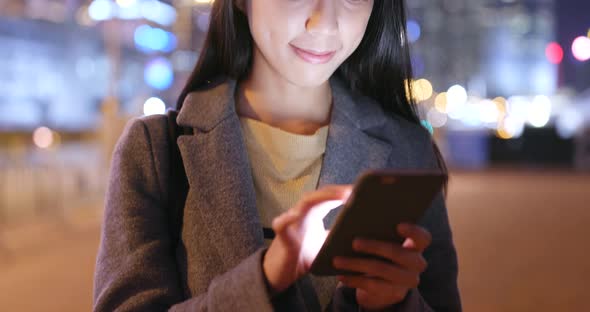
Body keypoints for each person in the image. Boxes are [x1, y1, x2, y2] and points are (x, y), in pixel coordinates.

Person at [93, 0, 461, 311]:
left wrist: (392, 303)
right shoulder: (156, 150)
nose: (324, 23)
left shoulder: (407, 149)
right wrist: (266, 277)